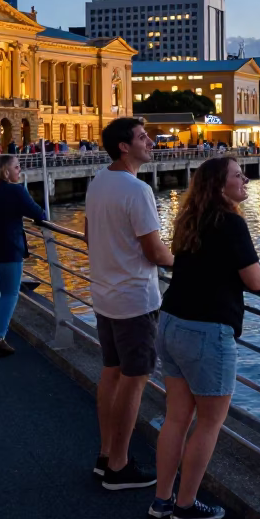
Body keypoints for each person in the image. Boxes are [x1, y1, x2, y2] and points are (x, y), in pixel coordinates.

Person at [150, 157, 260, 519]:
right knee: (209, 423)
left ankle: (162, 500)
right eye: (238, 175)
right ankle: (185, 506)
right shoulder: (231, 222)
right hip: (207, 331)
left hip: (172, 322)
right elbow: (253, 279)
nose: (246, 179)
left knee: (176, 418)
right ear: (220, 186)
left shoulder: (191, 219)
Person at [85, 117, 173, 490]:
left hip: (104, 294)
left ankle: (106, 454)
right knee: (134, 381)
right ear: (125, 146)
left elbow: (89, 235)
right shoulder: (137, 190)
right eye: (142, 137)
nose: (150, 142)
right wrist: (185, 261)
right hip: (135, 299)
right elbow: (155, 251)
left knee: (111, 373)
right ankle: (119, 466)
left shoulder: (98, 182)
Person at [0, 155, 47, 355]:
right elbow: (38, 213)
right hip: (6, 250)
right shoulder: (16, 190)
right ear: (6, 171)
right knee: (9, 293)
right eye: (16, 167)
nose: (19, 170)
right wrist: (41, 215)